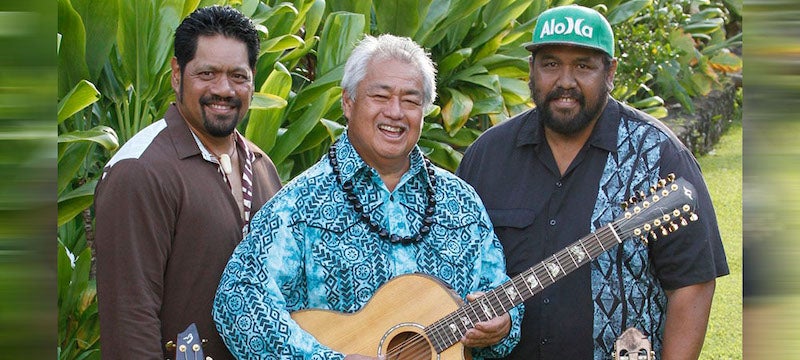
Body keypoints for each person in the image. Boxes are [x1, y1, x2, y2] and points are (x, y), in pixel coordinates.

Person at [212, 34, 522, 359]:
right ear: (348, 102)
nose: (395, 112)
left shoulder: (460, 202)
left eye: (411, 100)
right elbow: (239, 300)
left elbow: (496, 291)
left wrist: (504, 324)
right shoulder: (301, 204)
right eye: (380, 95)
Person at [456, 5, 729, 360]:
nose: (565, 81)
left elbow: (691, 282)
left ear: (610, 72)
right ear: (532, 70)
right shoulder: (487, 156)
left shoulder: (657, 155)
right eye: (551, 64)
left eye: (583, 66)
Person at [93, 5, 282, 359]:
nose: (223, 89)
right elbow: (129, 320)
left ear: (253, 78)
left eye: (238, 76)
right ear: (177, 75)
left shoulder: (260, 165)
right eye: (207, 73)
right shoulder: (140, 170)